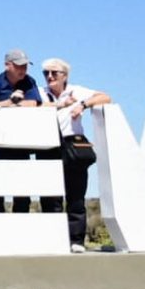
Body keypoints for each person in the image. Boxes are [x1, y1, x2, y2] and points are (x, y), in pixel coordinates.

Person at [37, 57, 110, 253]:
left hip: (72, 145)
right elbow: (30, 106)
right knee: (49, 198)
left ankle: (76, 240)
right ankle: (53, 240)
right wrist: (58, 106)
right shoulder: (40, 93)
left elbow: (105, 97)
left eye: (54, 73)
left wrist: (82, 104)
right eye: (46, 73)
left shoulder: (76, 91)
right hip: (47, 146)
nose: (50, 77)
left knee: (76, 196)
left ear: (65, 76)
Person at [0, 48, 41, 213]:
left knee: (23, 194)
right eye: (19, 66)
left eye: (25, 66)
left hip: (19, 145)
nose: (23, 70)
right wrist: (9, 103)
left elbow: (33, 104)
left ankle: (21, 233)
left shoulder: (29, 82)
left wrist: (13, 104)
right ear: (7, 65)